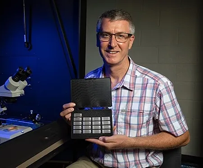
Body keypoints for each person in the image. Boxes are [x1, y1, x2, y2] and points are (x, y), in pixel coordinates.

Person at [60, 9, 190, 168]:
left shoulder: (158, 84)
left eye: (120, 36)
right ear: (97, 39)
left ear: (131, 41)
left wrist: (130, 142)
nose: (112, 44)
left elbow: (183, 137)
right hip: (95, 162)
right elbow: (87, 132)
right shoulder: (89, 79)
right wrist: (73, 122)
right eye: (105, 35)